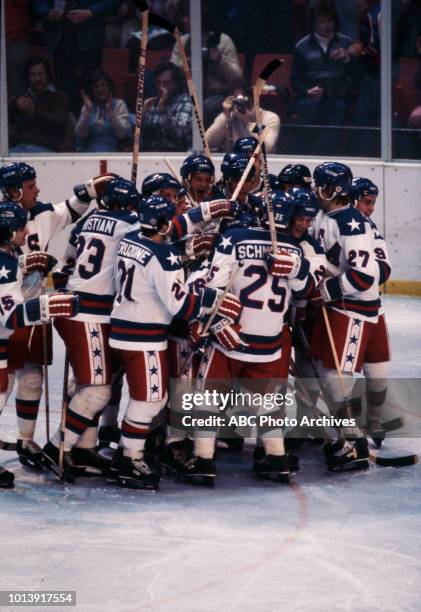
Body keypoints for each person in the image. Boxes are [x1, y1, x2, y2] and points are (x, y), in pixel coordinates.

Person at [181, 191, 318, 486]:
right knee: (267, 401)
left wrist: (211, 320)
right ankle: (277, 459)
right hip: (269, 340)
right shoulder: (294, 248)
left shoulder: (234, 237)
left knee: (209, 396)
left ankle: (203, 461)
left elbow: (215, 285)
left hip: (231, 336)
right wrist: (298, 267)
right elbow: (305, 291)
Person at [108, 195, 242, 489]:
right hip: (144, 338)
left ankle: (126, 454)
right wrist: (214, 299)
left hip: (121, 330)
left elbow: (172, 231)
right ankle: (129, 459)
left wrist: (203, 213)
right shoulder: (164, 256)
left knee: (147, 398)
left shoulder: (131, 239)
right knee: (151, 400)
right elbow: (179, 306)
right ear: (164, 222)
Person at [0, 161, 115, 469]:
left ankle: (26, 440)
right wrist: (24, 264)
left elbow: (71, 209)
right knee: (3, 380)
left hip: (34, 311)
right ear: (12, 191)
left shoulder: (41, 214)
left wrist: (90, 189)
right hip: (5, 311)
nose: (37, 189)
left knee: (34, 376)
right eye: (30, 186)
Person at [42, 177, 140, 481]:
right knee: (98, 390)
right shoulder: (131, 224)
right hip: (88, 314)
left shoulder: (86, 222)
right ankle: (58, 447)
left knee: (90, 383)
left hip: (78, 309)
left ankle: (83, 447)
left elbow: (66, 265)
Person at [0, 201, 79, 488]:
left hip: (8, 333)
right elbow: (11, 316)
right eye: (20, 229)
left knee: (12, 384)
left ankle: (26, 441)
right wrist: (51, 305)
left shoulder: (9, 258)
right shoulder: (6, 263)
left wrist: (26, 266)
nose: (25, 234)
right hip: (8, 331)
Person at [309, 161, 380, 471]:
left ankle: (354, 443)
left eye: (318, 184)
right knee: (329, 372)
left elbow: (365, 278)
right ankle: (347, 436)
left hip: (354, 309)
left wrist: (329, 289)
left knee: (339, 375)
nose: (314, 189)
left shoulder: (352, 222)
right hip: (338, 306)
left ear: (331, 188)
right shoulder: (327, 216)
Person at [349, 177, 392, 445]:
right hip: (345, 311)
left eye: (373, 203)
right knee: (335, 375)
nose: (371, 208)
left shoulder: (371, 229)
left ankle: (373, 420)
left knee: (379, 372)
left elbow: (384, 271)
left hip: (373, 310)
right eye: (367, 202)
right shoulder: (335, 224)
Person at [34, 0, 123, 114]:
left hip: (90, 38)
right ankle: (67, 125)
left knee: (91, 86)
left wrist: (92, 12)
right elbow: (38, 3)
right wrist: (47, 12)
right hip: (60, 38)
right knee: (64, 88)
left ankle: (93, 125)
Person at [290, 0, 356, 154]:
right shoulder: (302, 46)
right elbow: (295, 80)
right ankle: (302, 155)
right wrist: (307, 90)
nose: (327, 25)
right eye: (322, 21)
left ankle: (327, 155)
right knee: (308, 107)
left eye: (330, 20)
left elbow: (356, 76)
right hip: (312, 94)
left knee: (339, 109)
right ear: (314, 24)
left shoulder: (346, 42)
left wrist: (347, 59)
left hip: (337, 94)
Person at [170, 1, 242, 127]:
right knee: (183, 106)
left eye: (188, 16)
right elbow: (171, 73)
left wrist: (220, 60)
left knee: (205, 108)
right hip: (186, 93)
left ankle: (203, 141)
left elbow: (236, 77)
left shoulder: (223, 41)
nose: (184, 20)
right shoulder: (181, 42)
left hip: (216, 94)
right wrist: (187, 64)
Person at [8, 58, 71, 153]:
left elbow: (58, 121)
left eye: (41, 74)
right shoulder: (22, 96)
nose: (37, 79)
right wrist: (15, 104)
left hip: (45, 149)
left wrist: (33, 112)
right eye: (33, 75)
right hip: (19, 148)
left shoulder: (59, 97)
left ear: (48, 75)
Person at [206, 87, 280, 153]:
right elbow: (207, 143)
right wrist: (225, 117)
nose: (240, 106)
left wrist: (248, 124)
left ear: (251, 102)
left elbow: (267, 148)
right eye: (236, 102)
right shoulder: (228, 116)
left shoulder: (269, 118)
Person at [75, 70, 131, 152]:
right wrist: (87, 112)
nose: (100, 89)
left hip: (113, 154)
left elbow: (122, 134)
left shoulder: (119, 104)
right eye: (96, 86)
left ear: (109, 87)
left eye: (103, 85)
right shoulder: (87, 106)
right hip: (89, 154)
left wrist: (110, 112)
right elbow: (80, 134)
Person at [142, 62, 192, 152]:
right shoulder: (151, 102)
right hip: (151, 154)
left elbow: (179, 133)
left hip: (176, 154)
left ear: (175, 84)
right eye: (158, 83)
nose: (161, 87)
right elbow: (140, 136)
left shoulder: (185, 101)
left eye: (166, 83)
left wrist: (163, 109)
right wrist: (143, 115)